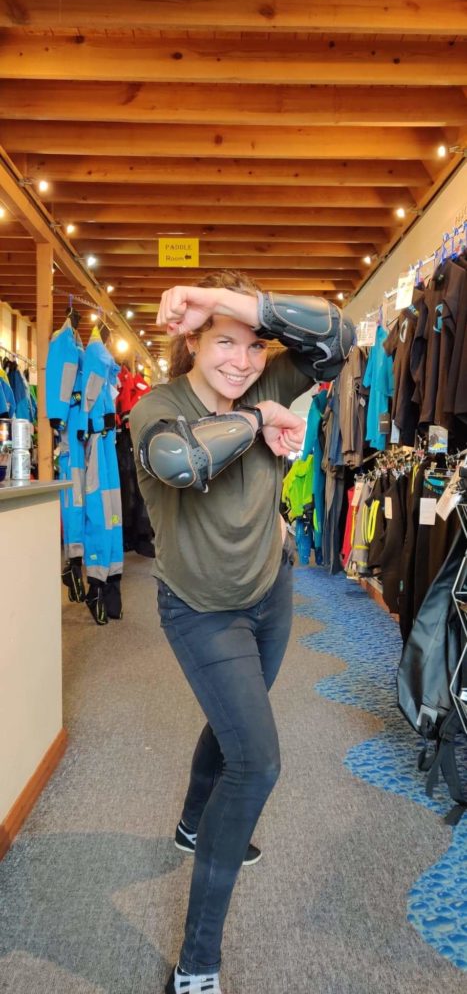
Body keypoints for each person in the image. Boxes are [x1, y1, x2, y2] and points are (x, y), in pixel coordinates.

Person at [129, 271, 354, 994]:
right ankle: (196, 965)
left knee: (238, 717)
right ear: (190, 341)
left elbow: (340, 337)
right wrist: (260, 420)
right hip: (197, 607)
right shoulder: (159, 407)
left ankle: (194, 821)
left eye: (254, 346)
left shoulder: (270, 373)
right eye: (223, 342)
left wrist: (227, 303)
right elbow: (180, 461)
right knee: (255, 763)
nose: (242, 360)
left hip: (269, 590)